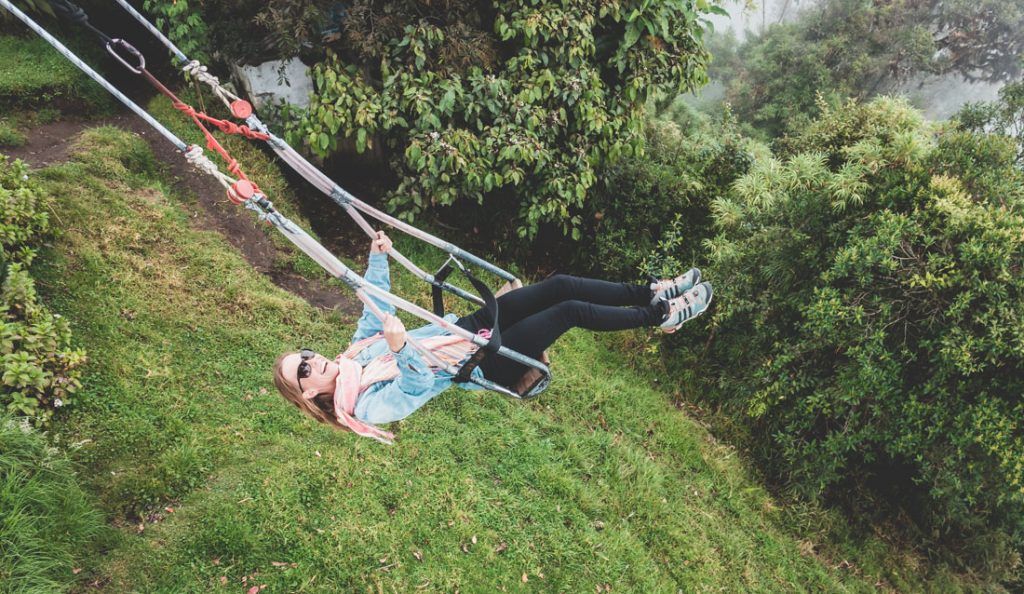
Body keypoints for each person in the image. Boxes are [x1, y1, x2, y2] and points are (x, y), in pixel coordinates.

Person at [272, 231, 712, 443]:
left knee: (559, 284)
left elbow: (374, 309)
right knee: (569, 311)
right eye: (303, 369)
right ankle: (660, 315)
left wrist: (377, 259)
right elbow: (415, 388)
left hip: (467, 327)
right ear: (307, 392)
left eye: (305, 354)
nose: (313, 360)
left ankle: (651, 292)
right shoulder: (364, 406)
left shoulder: (353, 356)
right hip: (482, 361)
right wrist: (401, 349)